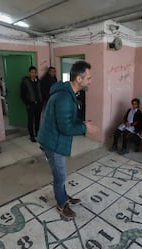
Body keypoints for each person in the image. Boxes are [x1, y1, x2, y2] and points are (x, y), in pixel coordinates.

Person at [37, 61, 97, 220]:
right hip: (53, 142)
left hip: (54, 138)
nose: (90, 81)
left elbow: (68, 121)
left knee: (60, 174)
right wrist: (86, 129)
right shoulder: (64, 98)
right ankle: (61, 204)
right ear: (79, 79)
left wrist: (82, 124)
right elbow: (65, 128)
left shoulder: (69, 94)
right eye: (89, 78)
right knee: (60, 176)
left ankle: (63, 196)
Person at [20, 66, 42, 142]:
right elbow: (22, 95)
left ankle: (37, 133)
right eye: (32, 72)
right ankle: (31, 135)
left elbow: (41, 92)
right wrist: (27, 104)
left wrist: (41, 102)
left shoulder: (38, 81)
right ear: (29, 73)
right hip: (31, 105)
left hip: (38, 104)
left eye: (35, 72)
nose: (33, 74)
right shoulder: (25, 82)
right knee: (30, 121)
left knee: (37, 120)